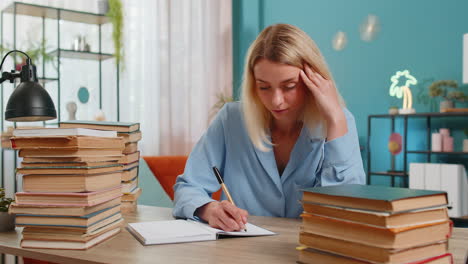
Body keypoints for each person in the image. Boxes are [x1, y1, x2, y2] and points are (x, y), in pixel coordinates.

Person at [173, 23, 365, 232]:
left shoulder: (338, 122)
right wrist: (209, 209)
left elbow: (347, 211)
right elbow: (188, 187)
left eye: (289, 86)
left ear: (314, 79)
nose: (276, 101)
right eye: (264, 87)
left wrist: (335, 120)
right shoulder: (231, 120)